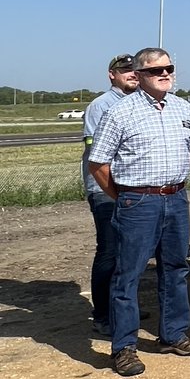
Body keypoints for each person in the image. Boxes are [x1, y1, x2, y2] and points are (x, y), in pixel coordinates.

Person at [87, 47, 190, 377]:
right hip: (138, 202)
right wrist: (124, 197)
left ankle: (172, 334)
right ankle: (124, 347)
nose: (165, 74)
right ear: (139, 76)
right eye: (157, 70)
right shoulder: (120, 112)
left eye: (169, 67)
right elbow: (98, 163)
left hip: (176, 199)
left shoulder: (182, 108)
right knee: (128, 274)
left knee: (175, 268)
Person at [80, 53, 138, 337]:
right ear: (111, 74)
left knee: (130, 253)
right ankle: (102, 314)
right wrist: (112, 189)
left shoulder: (140, 103)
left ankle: (123, 309)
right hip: (106, 189)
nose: (132, 73)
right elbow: (96, 154)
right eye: (125, 70)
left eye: (134, 69)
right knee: (109, 251)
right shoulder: (100, 106)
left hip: (132, 188)